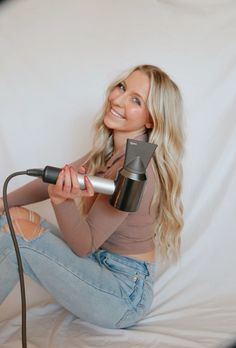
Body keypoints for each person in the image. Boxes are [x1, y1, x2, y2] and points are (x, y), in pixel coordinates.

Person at [0, 64, 184, 329]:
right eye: (122, 87)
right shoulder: (112, 150)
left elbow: (83, 244)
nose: (118, 99)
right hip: (98, 262)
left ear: (150, 119)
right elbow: (54, 179)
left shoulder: (136, 167)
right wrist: (3, 201)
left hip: (123, 294)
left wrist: (62, 202)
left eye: (135, 100)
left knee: (17, 234)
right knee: (12, 216)